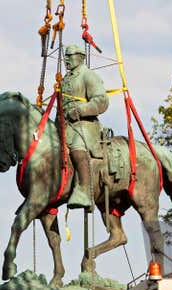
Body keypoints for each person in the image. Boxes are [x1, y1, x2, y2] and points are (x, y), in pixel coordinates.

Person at [61, 44, 109, 210]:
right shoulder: (65, 79)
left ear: (80, 57)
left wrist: (80, 110)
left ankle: (84, 190)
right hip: (66, 125)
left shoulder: (88, 76)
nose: (66, 59)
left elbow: (101, 101)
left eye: (69, 56)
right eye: (65, 56)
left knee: (77, 147)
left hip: (85, 124)